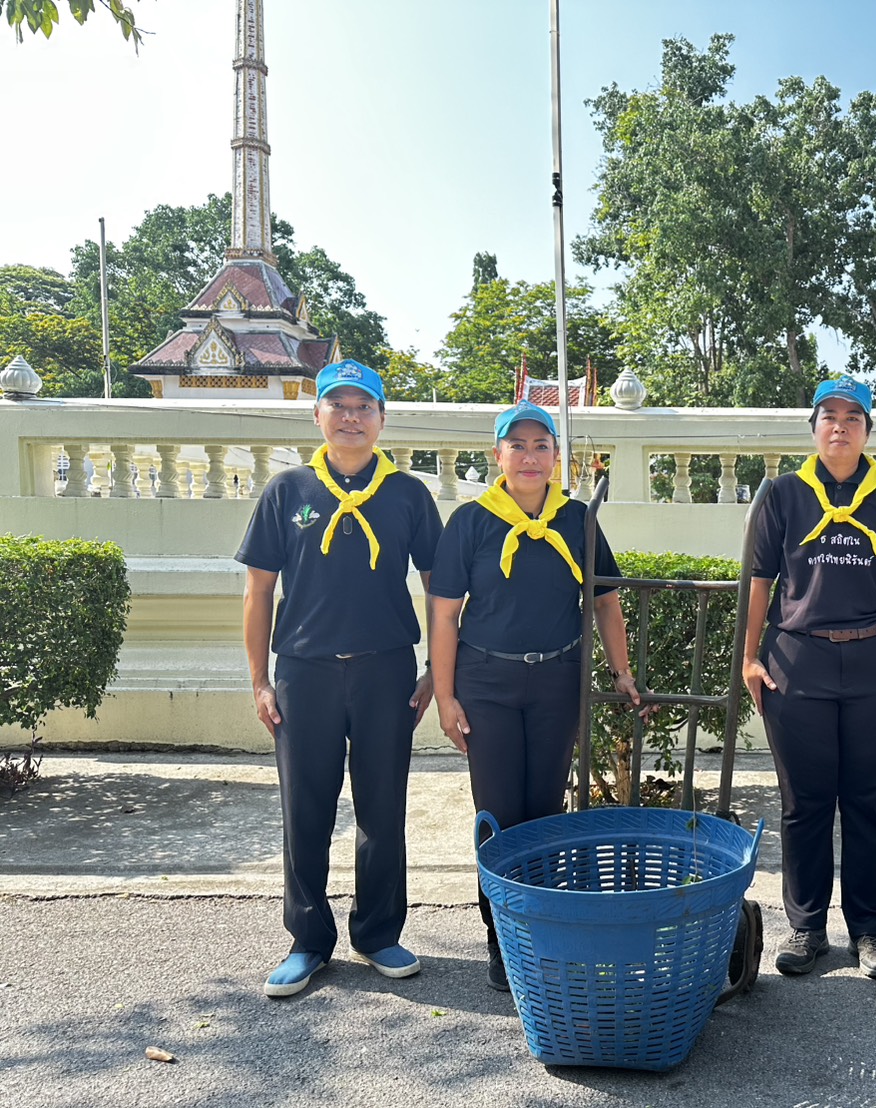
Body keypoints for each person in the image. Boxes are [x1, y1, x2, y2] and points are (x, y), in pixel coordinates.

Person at [238, 359, 444, 998]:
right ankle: (308, 939)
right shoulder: (287, 490)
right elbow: (258, 591)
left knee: (382, 808)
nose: (351, 418)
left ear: (382, 418)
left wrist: (436, 670)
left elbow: (440, 589)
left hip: (387, 671)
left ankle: (377, 932)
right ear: (318, 414)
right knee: (305, 810)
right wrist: (259, 680)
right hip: (305, 674)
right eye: (339, 405)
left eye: (364, 407)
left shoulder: (407, 494)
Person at [427, 400, 643, 991]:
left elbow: (605, 601)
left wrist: (621, 671)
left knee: (545, 810)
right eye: (517, 445)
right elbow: (444, 615)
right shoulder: (471, 522)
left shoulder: (577, 520)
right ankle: (502, 936)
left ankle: (542, 931)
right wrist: (445, 697)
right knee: (497, 813)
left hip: (556, 680)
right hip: (486, 682)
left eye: (540, 445)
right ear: (497, 455)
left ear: (555, 456)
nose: (529, 456)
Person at [742, 375, 876, 982]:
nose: (840, 427)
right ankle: (806, 926)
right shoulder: (782, 494)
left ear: (868, 431)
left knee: (868, 801)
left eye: (853, 418)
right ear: (814, 428)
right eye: (829, 416)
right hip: (798, 660)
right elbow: (758, 583)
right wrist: (748, 657)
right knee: (804, 803)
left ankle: (870, 930)